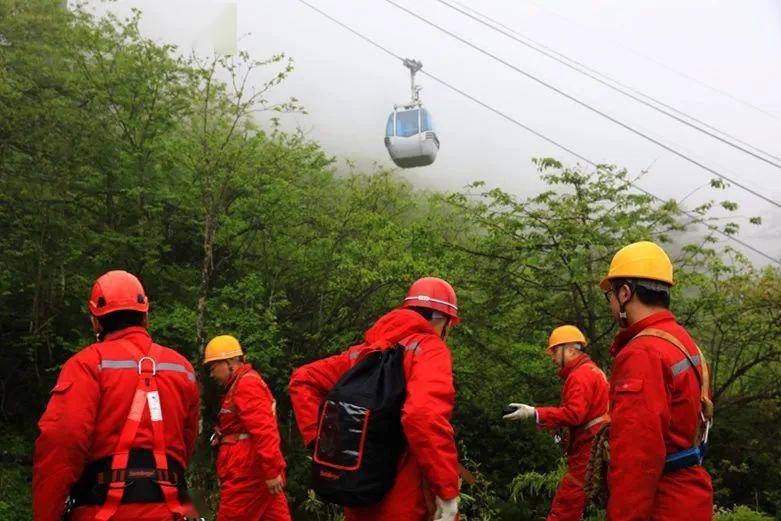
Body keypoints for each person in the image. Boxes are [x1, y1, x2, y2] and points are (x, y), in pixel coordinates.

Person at [289, 277, 461, 521]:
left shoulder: (364, 353)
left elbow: (302, 379)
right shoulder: (429, 348)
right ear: (442, 320)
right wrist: (446, 490)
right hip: (406, 499)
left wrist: (323, 443)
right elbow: (423, 415)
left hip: (358, 489)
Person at [33, 270, 200, 521]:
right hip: (169, 510)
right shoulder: (182, 369)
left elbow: (61, 445)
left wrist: (46, 514)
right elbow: (186, 444)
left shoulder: (87, 365)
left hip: (102, 510)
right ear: (145, 316)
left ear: (95, 321)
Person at [601, 241, 713, 520]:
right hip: (690, 497)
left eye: (611, 296)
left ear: (625, 293)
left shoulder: (642, 354)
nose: (612, 305)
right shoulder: (682, 341)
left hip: (661, 505)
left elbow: (636, 461)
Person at [504, 325, 609, 521]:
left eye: (554, 351)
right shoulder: (592, 372)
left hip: (587, 452)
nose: (552, 357)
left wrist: (534, 413)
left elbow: (574, 414)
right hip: (594, 449)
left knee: (565, 509)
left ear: (570, 349)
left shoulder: (580, 375)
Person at [204, 335, 291, 521]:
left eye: (213, 368)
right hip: (253, 470)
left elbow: (264, 430)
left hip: (247, 474)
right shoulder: (238, 385)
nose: (211, 375)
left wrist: (271, 470)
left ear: (227, 362)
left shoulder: (247, 384)